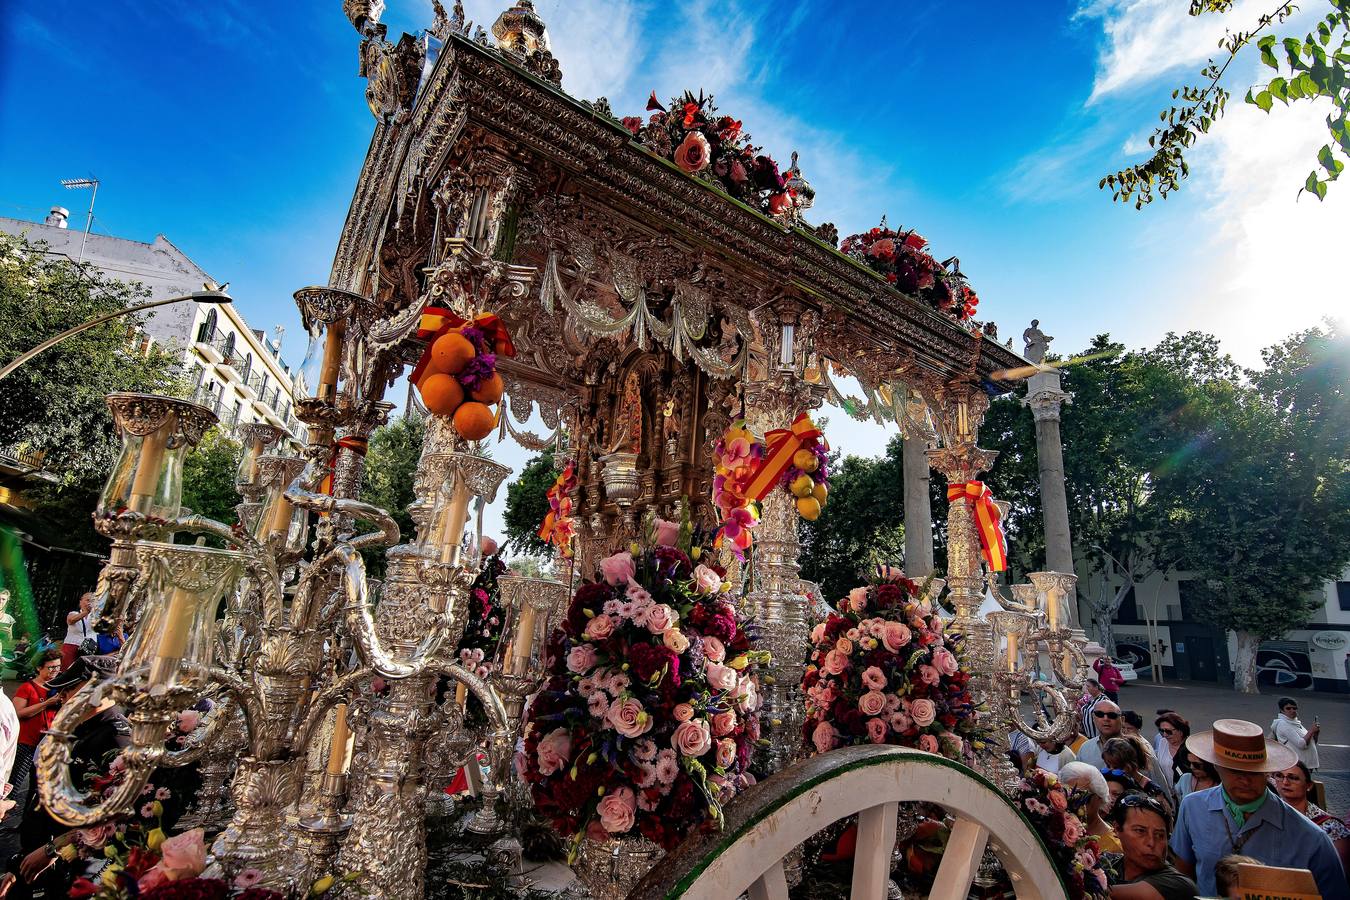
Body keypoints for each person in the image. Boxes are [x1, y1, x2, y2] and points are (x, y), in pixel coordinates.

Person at [1169, 718, 1347, 900]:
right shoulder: (1192, 807)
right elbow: (1184, 875)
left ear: (1268, 771)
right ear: (1216, 766)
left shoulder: (1311, 838)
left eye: (1254, 771)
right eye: (1235, 770)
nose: (1245, 780)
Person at [0, 651, 61, 862]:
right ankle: (5, 814)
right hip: (27, 743)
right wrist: (46, 702)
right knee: (14, 782)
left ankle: (27, 822)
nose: (54, 671)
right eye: (50, 667)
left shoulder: (59, 688)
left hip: (45, 745)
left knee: (37, 788)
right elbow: (19, 712)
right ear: (39, 668)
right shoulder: (28, 687)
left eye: (57, 667)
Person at [1105, 793, 1198, 899]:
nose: (1151, 843)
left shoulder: (1179, 885)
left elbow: (1101, 892)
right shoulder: (1108, 865)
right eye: (1140, 831)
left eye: (1159, 835)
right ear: (1117, 829)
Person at [1079, 701, 1173, 803]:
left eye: (1112, 715)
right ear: (1093, 717)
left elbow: (1163, 795)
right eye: (1100, 714)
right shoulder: (1085, 749)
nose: (1105, 719)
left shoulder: (1140, 749)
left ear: (1122, 719)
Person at [1272, 761, 1350, 880]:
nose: (1285, 782)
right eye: (1279, 776)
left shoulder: (1331, 826)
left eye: (1293, 778)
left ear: (1308, 785)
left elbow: (1341, 875)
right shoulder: (1266, 815)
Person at [1062, 761, 1122, 853]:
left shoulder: (1114, 846)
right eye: (1067, 794)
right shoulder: (1057, 823)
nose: (1072, 802)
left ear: (1099, 798)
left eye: (1082, 796)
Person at [1103, 738, 1171, 813]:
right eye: (1108, 766)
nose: (1112, 771)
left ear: (1130, 765)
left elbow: (1166, 817)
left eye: (1117, 767)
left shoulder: (1152, 791)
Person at [1270, 697, 1320, 771]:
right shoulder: (1283, 724)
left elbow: (1311, 742)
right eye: (1288, 708)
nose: (1292, 711)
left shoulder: (1295, 723)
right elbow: (1301, 744)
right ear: (1281, 710)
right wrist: (1311, 731)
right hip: (1297, 766)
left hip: (1305, 765)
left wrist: (1316, 733)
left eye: (1294, 708)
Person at [59, 593, 97, 670]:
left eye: (93, 601)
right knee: (65, 670)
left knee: (81, 673)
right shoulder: (73, 613)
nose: (90, 603)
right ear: (80, 602)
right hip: (71, 646)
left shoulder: (96, 616)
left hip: (88, 649)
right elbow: (71, 620)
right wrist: (86, 612)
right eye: (88, 600)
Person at [1154, 712, 1191, 784]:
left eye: (1168, 731)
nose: (1165, 735)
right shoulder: (1163, 742)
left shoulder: (1190, 748)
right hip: (1166, 791)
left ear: (1180, 730)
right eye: (1161, 731)